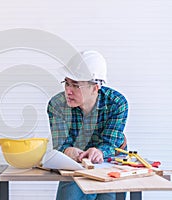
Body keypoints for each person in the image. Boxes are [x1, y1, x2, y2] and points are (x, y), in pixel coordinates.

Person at [47, 50, 128, 200]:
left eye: (76, 86)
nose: (68, 91)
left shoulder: (117, 103)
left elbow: (110, 144)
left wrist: (100, 152)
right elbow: (61, 145)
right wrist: (67, 151)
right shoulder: (56, 105)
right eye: (67, 83)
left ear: (95, 87)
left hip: (110, 160)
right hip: (75, 162)